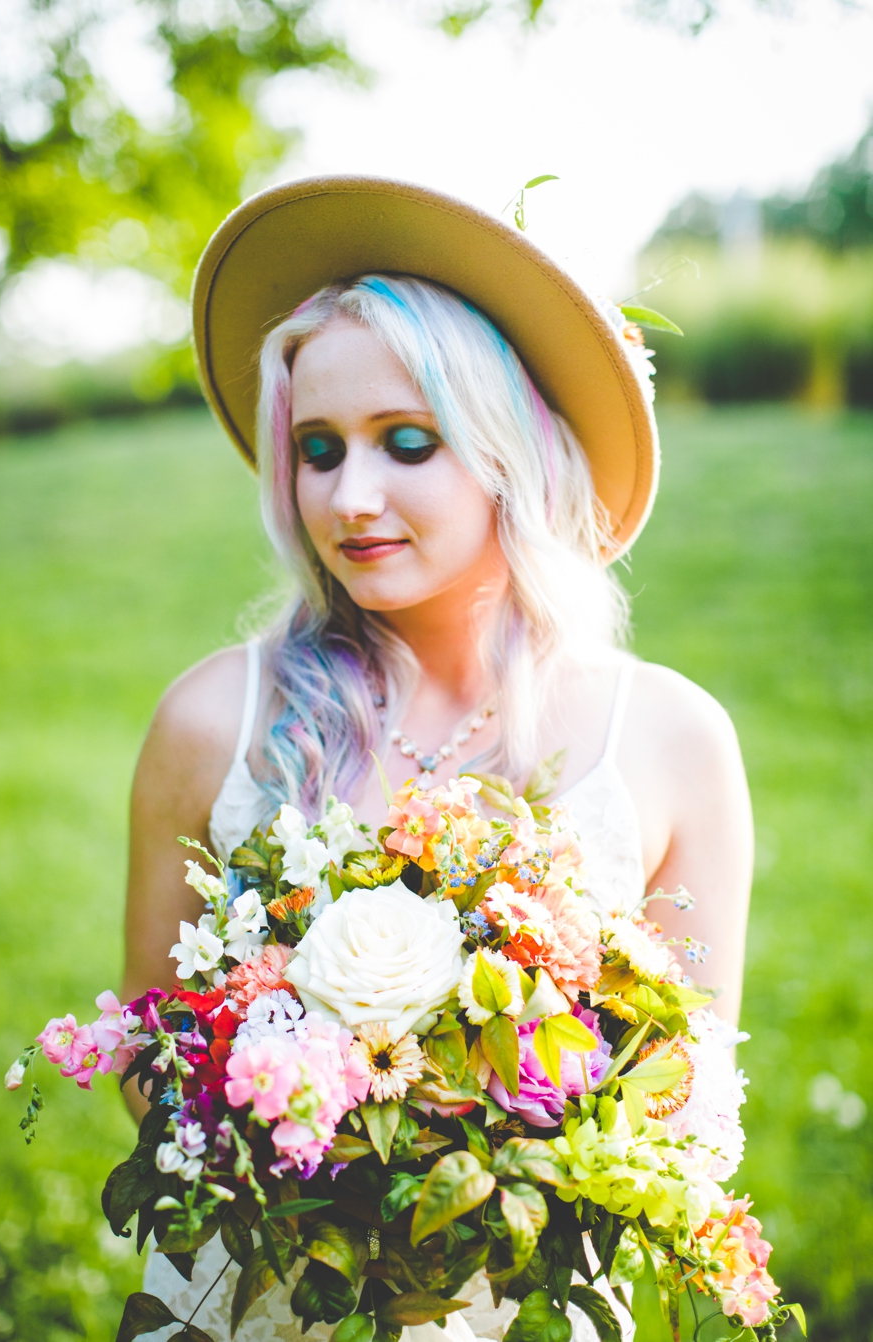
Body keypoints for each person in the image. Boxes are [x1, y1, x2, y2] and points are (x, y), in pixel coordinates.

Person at [119, 179, 752, 1340]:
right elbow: (154, 1072)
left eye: (407, 443)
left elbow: (692, 1100)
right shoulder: (212, 720)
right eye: (317, 449)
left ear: (512, 451)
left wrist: (488, 1168)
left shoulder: (670, 740)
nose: (349, 497)